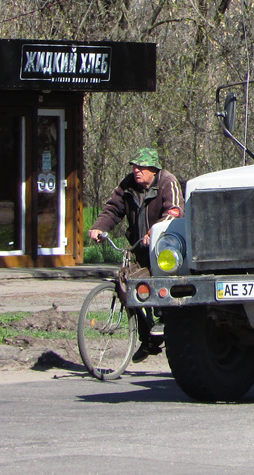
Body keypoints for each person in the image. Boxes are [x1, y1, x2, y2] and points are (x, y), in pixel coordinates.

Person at [88, 146, 183, 361]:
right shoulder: (128, 185)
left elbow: (175, 211)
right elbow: (112, 209)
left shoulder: (167, 182)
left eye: (141, 167)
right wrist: (100, 227)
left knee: (160, 291)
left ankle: (165, 326)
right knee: (127, 286)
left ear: (153, 169)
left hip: (164, 252)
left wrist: (155, 232)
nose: (136, 171)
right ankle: (147, 338)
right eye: (134, 167)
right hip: (139, 248)